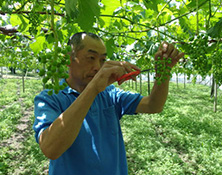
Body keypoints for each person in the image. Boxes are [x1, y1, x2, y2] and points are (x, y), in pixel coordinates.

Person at [33, 32, 184, 175]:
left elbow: (153, 105)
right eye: (91, 58)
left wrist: (163, 72)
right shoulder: (50, 98)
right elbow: (50, 149)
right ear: (68, 59)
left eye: (102, 60)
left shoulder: (110, 94)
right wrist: (93, 89)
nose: (98, 67)